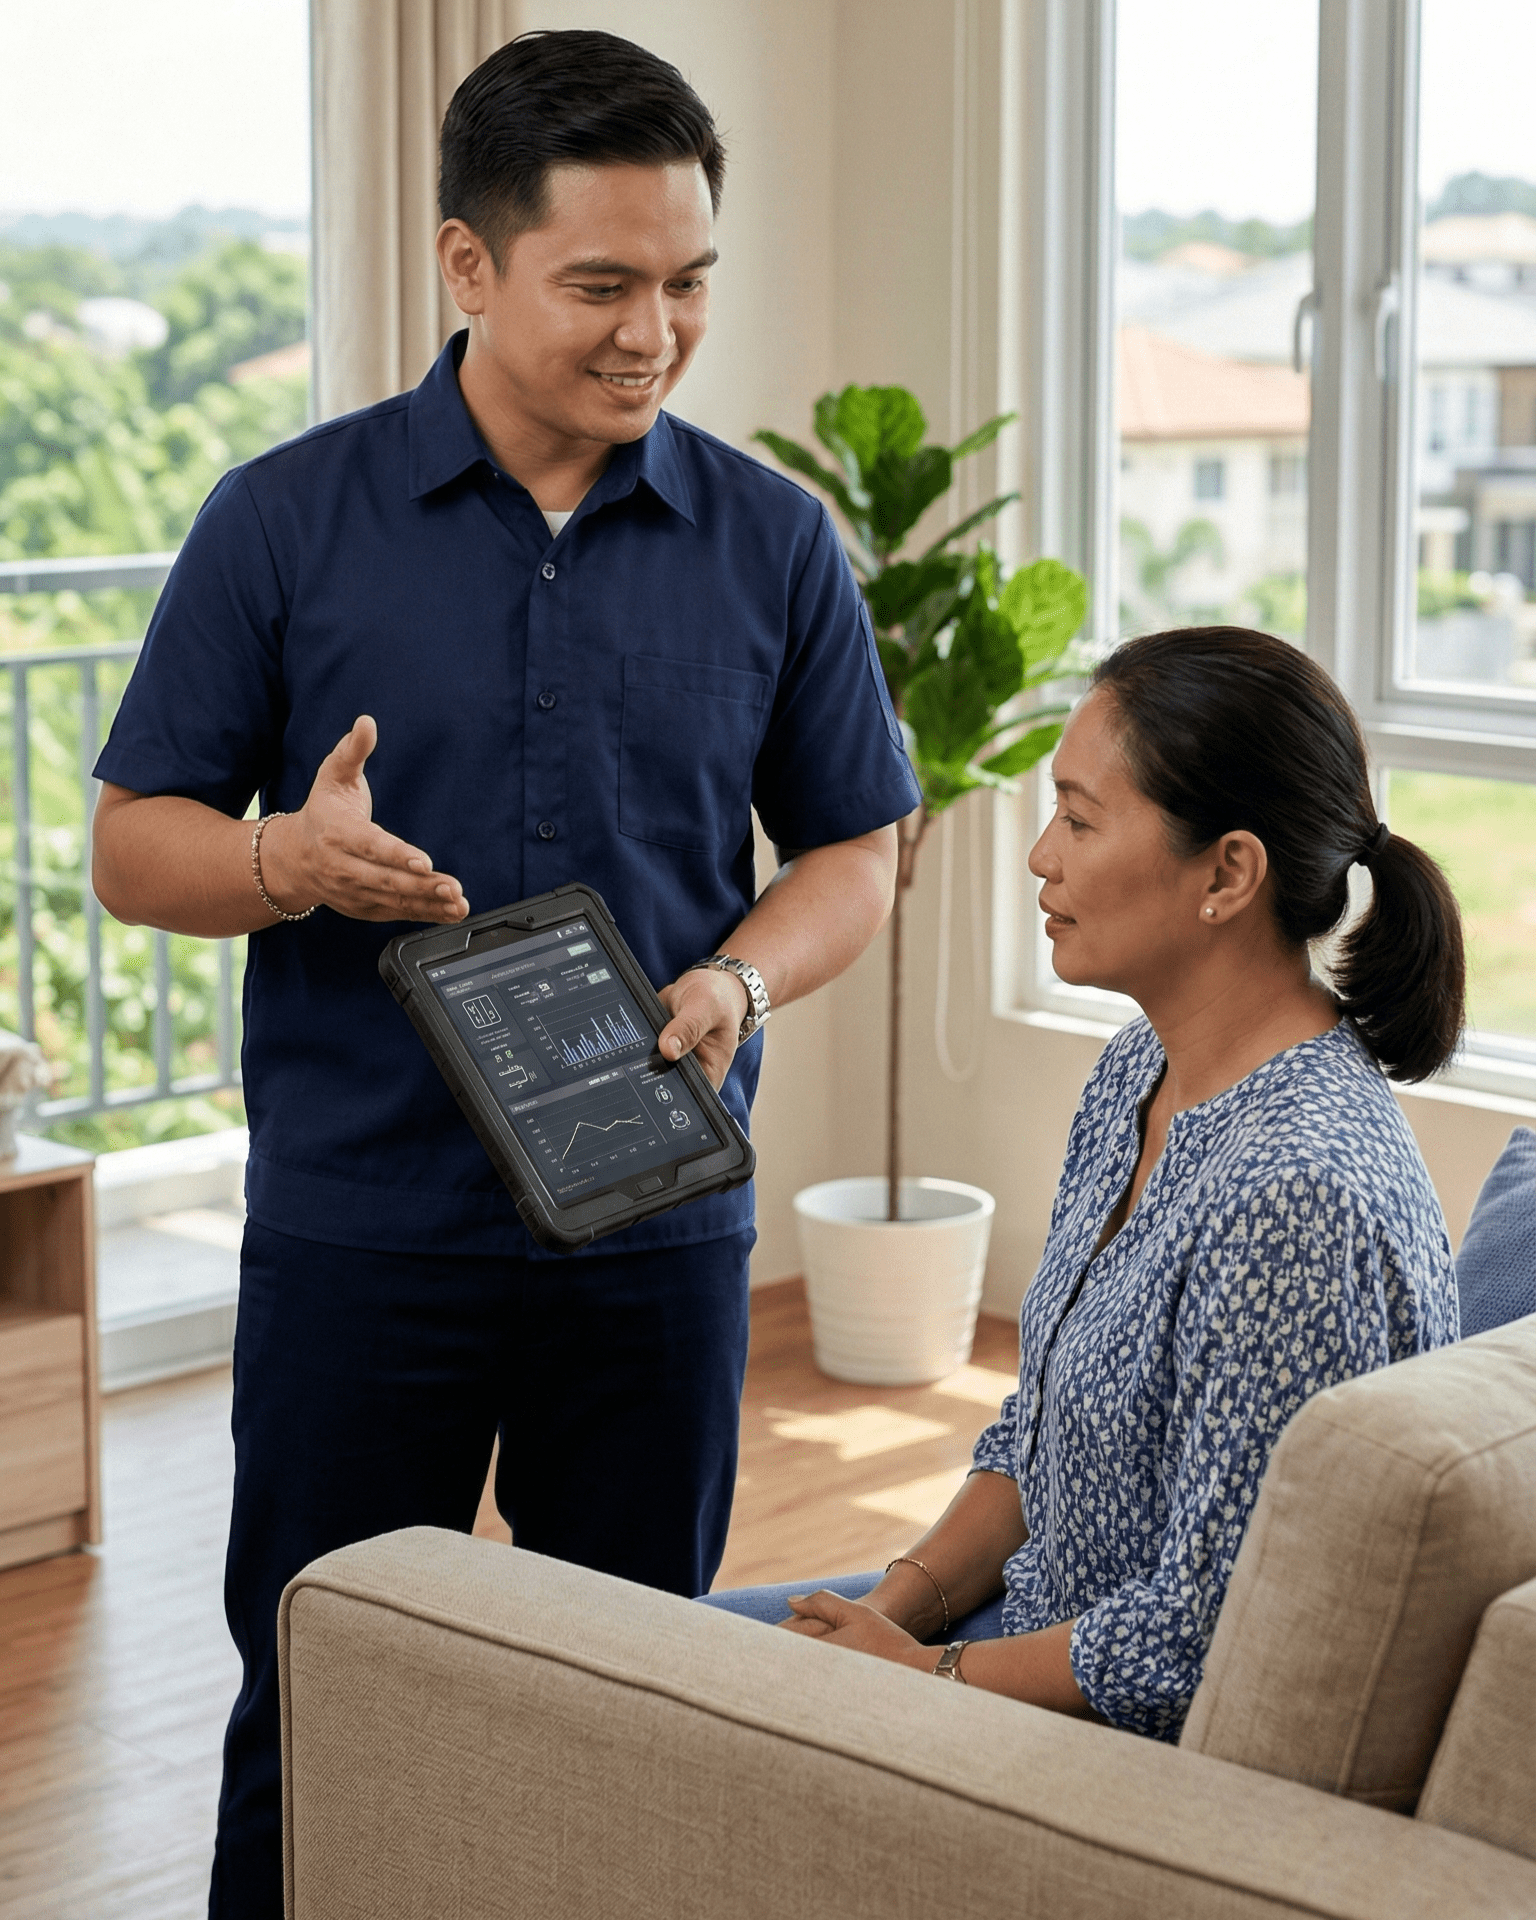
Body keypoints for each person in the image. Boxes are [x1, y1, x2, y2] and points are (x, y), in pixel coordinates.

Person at [90, 30, 920, 1918]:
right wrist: (279, 863)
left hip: (651, 1238)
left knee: (639, 1695)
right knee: (319, 1688)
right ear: (468, 267)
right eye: (604, 286)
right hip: (364, 1232)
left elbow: (860, 850)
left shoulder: (776, 544)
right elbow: (134, 843)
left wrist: (746, 979)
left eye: (691, 282)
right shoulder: (280, 520)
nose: (656, 333)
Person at [702, 625, 1463, 1740]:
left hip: (1110, 1754)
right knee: (653, 1655)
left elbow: (1204, 1634)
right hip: (1006, 1643)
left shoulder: (1299, 1200)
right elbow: (1037, 1432)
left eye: (1079, 816)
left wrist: (925, 1681)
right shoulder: (1140, 1070)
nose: (1040, 855)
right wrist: (891, 1612)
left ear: (1229, 873)